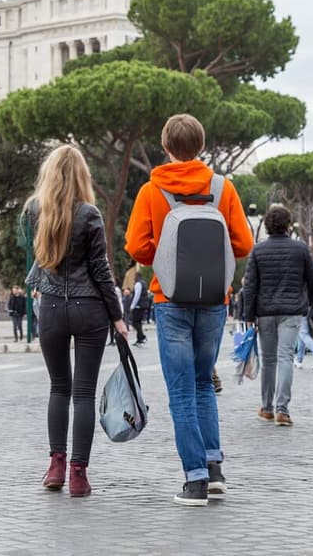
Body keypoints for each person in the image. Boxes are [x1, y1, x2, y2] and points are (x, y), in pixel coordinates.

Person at [125, 114, 253, 506]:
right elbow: (244, 244)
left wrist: (164, 259)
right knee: (202, 386)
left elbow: (135, 246)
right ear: (201, 146)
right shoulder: (222, 188)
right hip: (215, 299)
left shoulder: (152, 190)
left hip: (171, 300)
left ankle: (194, 480)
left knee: (181, 390)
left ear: (165, 147)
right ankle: (214, 469)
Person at [27, 144, 127, 499]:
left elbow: (37, 261)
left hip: (52, 307)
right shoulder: (90, 214)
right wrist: (118, 316)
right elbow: (101, 270)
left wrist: (38, 288)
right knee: (83, 392)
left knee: (58, 388)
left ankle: (55, 465)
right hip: (89, 309)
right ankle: (78, 474)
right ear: (83, 176)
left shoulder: (35, 211)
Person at [241, 204, 313, 427]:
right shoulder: (301, 249)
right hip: (292, 311)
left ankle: (266, 408)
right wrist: (308, 305)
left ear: (267, 225)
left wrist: (248, 314)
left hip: (265, 312)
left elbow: (250, 286)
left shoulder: (258, 250)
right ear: (288, 224)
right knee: (286, 358)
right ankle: (282, 410)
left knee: (269, 360)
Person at [130, 272, 149, 346]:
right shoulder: (143, 282)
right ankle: (139, 339)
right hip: (143, 305)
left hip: (138, 306)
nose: (134, 277)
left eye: (134, 276)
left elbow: (136, 296)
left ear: (137, 276)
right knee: (138, 323)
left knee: (135, 322)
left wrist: (132, 306)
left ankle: (142, 337)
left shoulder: (138, 284)